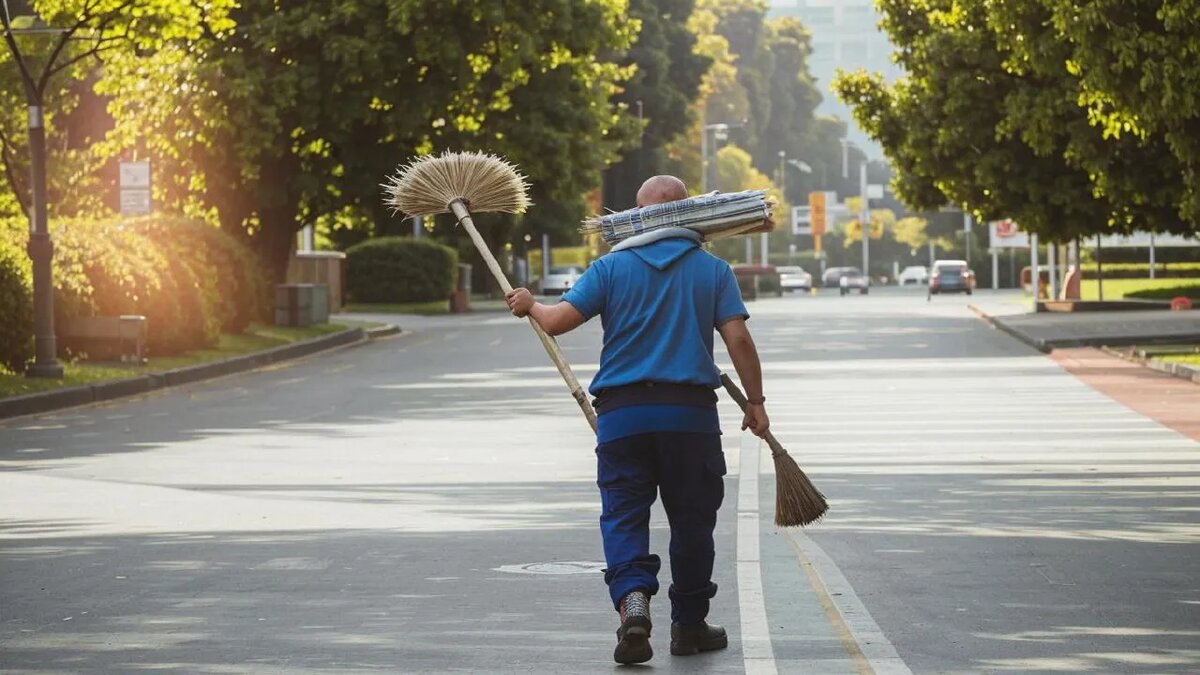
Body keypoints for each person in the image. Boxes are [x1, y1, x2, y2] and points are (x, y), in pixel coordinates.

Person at [505, 175, 771, 665]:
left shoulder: (610, 268)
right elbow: (740, 342)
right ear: (689, 213)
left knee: (624, 514)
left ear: (638, 213)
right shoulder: (713, 271)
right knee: (693, 521)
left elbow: (558, 320)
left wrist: (529, 304)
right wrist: (755, 402)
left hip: (623, 418)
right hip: (689, 417)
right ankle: (689, 626)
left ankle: (633, 603)